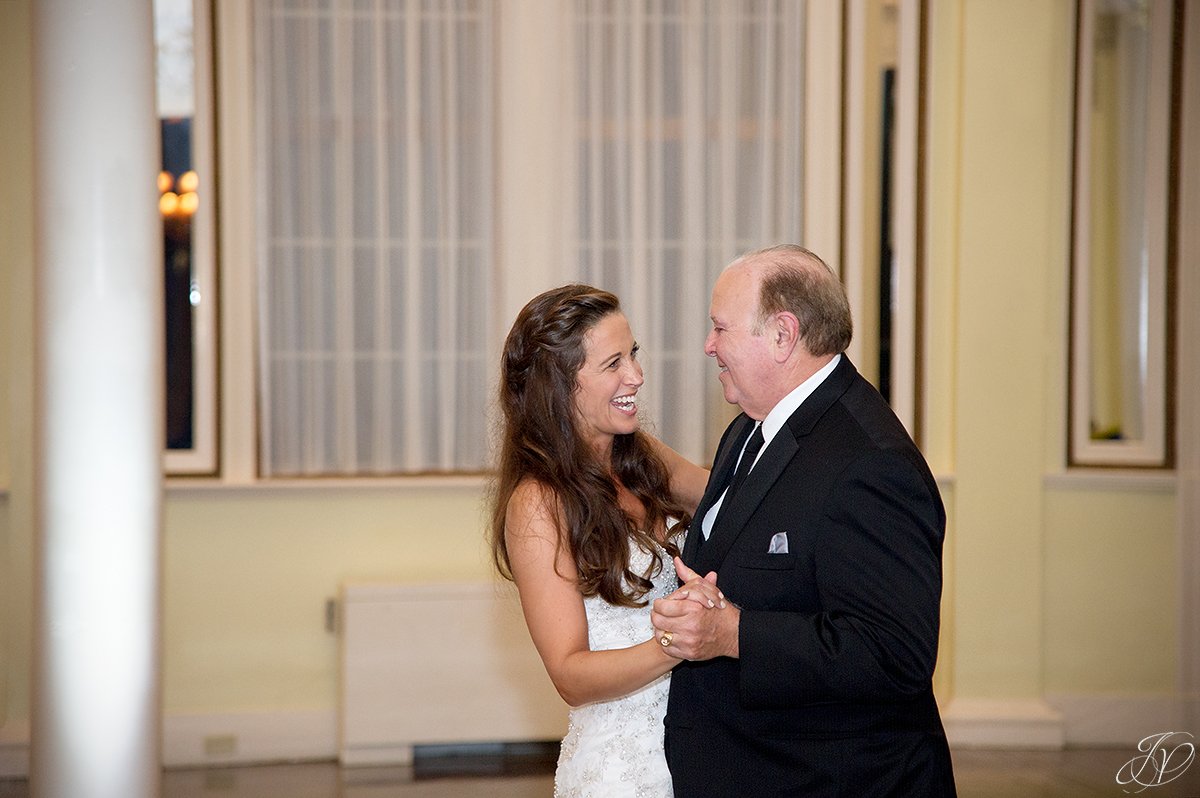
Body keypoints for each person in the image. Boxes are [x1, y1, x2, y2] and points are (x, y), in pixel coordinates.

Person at [650, 245, 957, 796]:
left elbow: (894, 654)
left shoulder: (871, 462)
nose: (708, 345)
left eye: (721, 328)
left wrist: (734, 633)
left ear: (783, 335)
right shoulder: (750, 425)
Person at [489, 284, 710, 797]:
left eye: (633, 353)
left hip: (697, 750)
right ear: (560, 386)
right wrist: (679, 642)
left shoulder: (641, 455)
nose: (636, 375)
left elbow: (732, 505)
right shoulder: (538, 503)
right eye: (613, 363)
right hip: (622, 771)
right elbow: (570, 673)